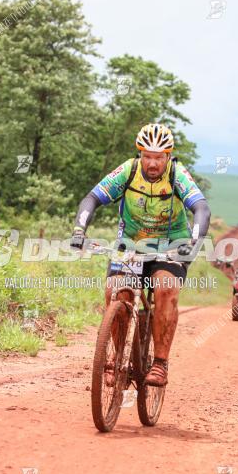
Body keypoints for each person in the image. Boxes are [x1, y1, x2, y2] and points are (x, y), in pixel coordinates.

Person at [70, 123, 211, 387]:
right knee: (116, 290)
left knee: (165, 288)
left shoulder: (177, 174)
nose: (153, 163)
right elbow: (92, 198)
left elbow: (201, 209)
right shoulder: (128, 171)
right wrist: (79, 230)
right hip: (131, 244)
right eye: (147, 156)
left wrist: (193, 241)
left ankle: (160, 363)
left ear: (168, 156)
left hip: (171, 244)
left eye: (159, 157)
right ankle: (116, 357)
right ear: (140, 155)